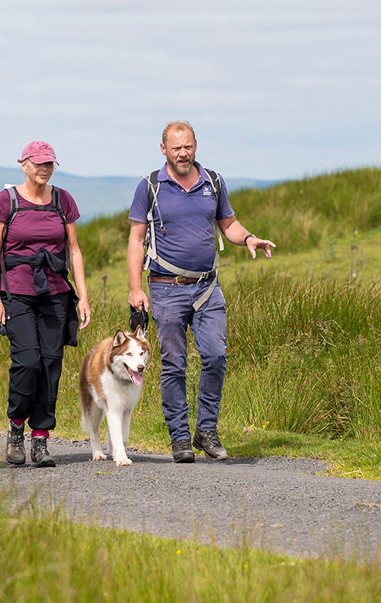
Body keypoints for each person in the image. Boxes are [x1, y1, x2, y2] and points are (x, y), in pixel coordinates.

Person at [127, 121, 275, 463]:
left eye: (189, 147)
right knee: (174, 364)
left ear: (196, 146)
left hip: (208, 287)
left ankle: (206, 430)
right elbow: (136, 239)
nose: (183, 153)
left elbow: (229, 224)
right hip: (166, 288)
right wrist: (136, 288)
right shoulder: (149, 186)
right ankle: (179, 438)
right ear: (163, 149)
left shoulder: (214, 181)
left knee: (216, 356)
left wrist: (250, 238)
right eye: (176, 148)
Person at [0, 140, 91, 468]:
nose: (44, 169)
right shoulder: (8, 200)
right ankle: (16, 427)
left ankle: (41, 438)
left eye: (49, 164)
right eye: (38, 164)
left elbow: (73, 250)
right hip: (16, 293)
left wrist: (83, 295)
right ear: (24, 164)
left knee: (50, 365)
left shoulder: (63, 200)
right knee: (28, 362)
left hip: (56, 293)